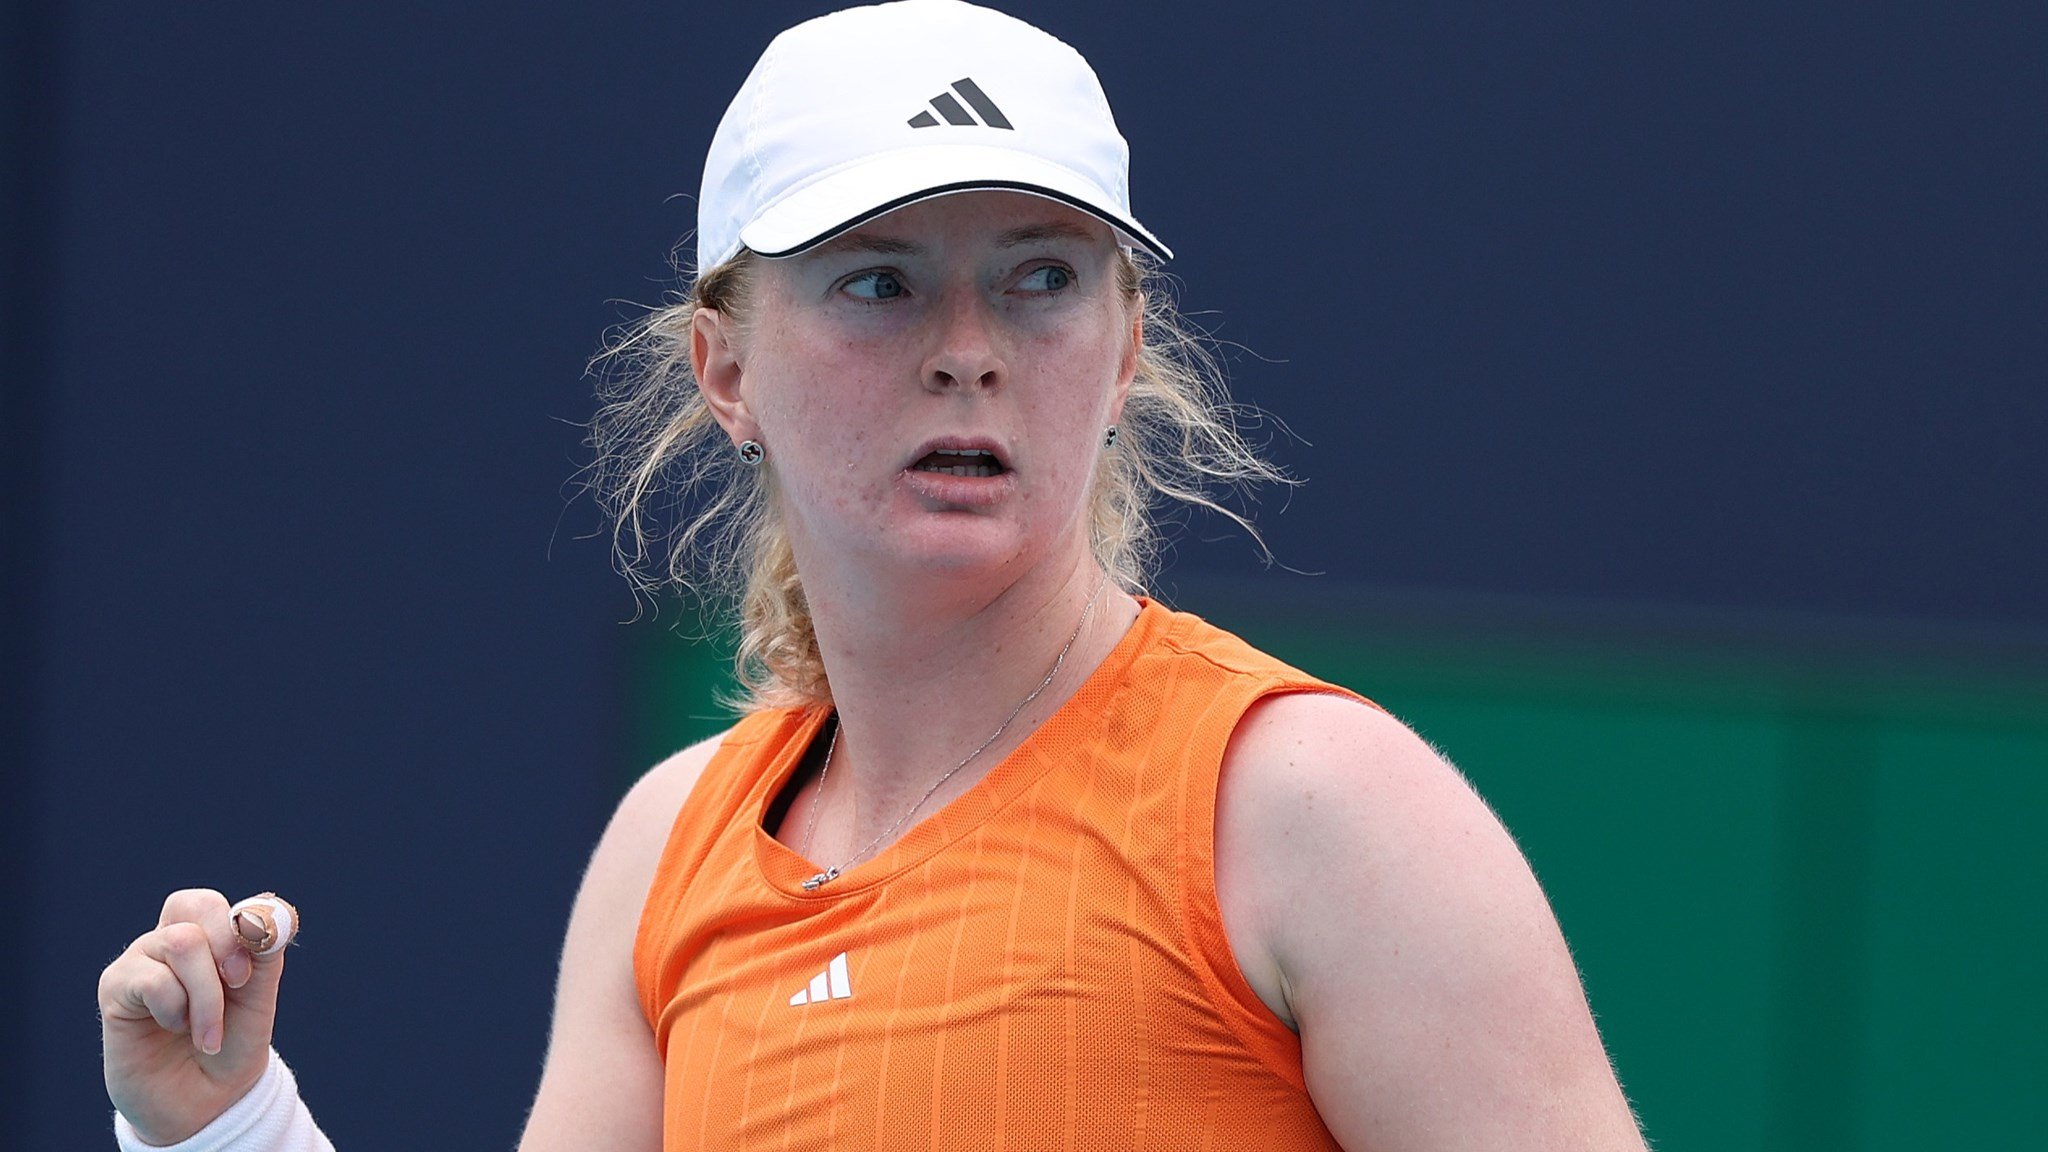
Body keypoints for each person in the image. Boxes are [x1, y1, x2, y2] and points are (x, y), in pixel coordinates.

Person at [98, 2, 1651, 1148]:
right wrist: (226, 1129)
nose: (967, 352)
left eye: (1042, 279)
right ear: (725, 368)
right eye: (879, 284)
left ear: (1120, 356)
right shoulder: (669, 850)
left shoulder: (1317, 806)